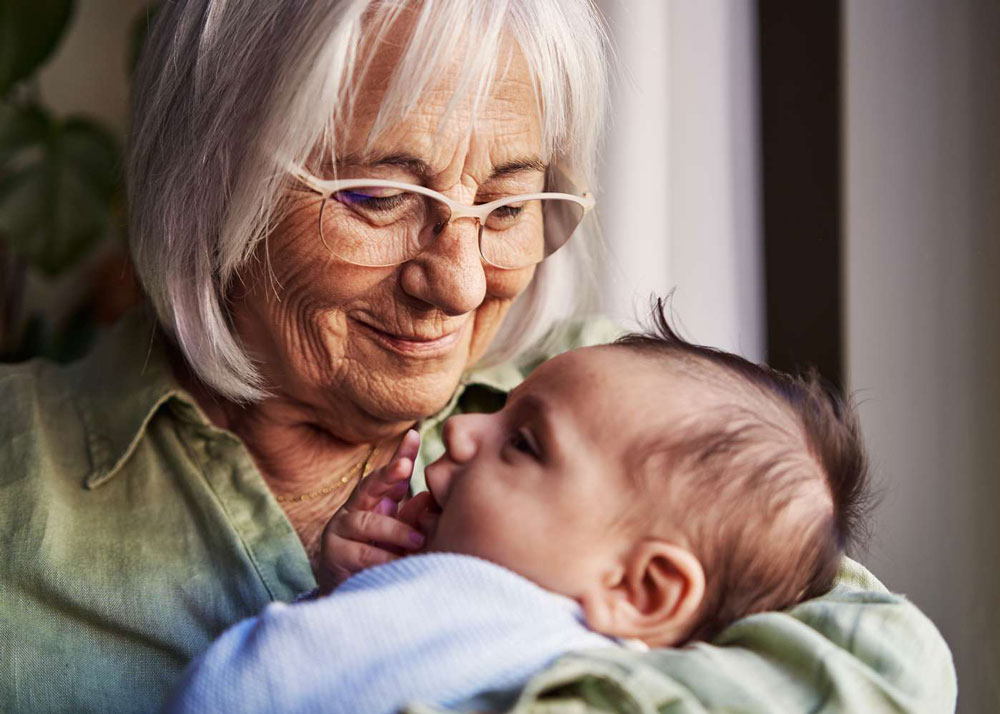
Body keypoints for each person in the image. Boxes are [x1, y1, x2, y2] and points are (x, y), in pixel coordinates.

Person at [0, 1, 955, 713]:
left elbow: (889, 672)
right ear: (210, 178)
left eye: (507, 204)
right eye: (377, 195)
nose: (458, 285)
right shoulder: (20, 477)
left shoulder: (625, 408)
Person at [165, 310, 872, 714]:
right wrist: (353, 591)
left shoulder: (514, 640)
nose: (464, 430)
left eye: (524, 443)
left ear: (641, 589)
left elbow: (253, 688)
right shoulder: (508, 623)